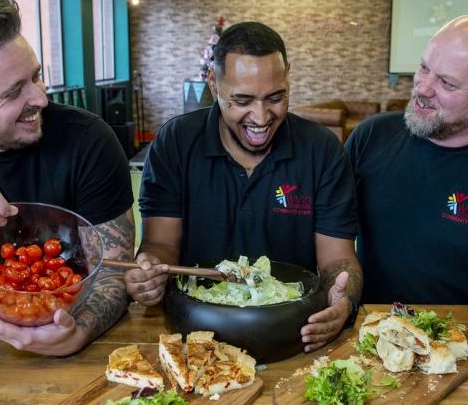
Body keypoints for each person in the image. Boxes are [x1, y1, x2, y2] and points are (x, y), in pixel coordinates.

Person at [125, 21, 362, 352]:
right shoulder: (176, 142)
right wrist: (150, 271)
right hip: (194, 332)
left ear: (288, 77)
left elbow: (338, 259)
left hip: (293, 331)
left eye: (276, 98)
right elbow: (160, 244)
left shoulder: (321, 149)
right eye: (242, 99)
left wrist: (344, 299)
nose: (261, 117)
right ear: (213, 81)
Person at [0, 0, 135, 355]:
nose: (41, 98)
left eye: (36, 76)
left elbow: (114, 272)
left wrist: (77, 334)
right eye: (14, 92)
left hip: (64, 344)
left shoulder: (88, 140)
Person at [345, 13, 468, 334]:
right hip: (370, 333)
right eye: (424, 68)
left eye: (447, 83)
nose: (422, 88)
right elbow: (326, 229)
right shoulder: (371, 136)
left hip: (465, 342)